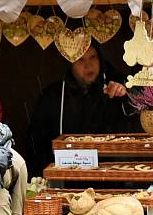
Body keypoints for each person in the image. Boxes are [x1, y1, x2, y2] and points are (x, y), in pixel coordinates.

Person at [27, 42, 138, 177]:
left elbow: (139, 104)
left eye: (93, 57)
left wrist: (125, 94)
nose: (88, 65)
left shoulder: (116, 85)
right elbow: (37, 143)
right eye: (80, 59)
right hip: (68, 179)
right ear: (70, 63)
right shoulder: (53, 96)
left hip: (109, 177)